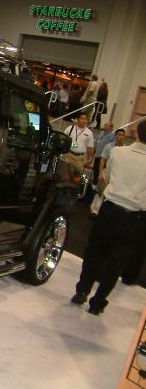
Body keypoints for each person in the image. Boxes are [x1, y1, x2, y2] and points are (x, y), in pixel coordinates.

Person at [71, 120, 146, 315]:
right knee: (117, 261)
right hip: (135, 217)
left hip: (110, 210)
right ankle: (98, 302)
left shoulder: (118, 152)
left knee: (94, 252)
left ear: (137, 133)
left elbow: (109, 177)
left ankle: (82, 291)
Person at [62, 113, 94, 179]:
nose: (84, 121)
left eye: (86, 119)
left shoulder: (89, 133)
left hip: (80, 158)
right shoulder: (70, 128)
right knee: (65, 175)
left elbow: (90, 147)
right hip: (69, 155)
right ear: (77, 119)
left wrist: (89, 159)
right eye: (82, 118)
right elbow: (63, 138)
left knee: (76, 177)